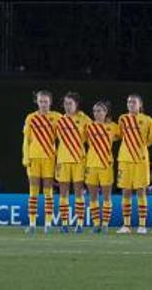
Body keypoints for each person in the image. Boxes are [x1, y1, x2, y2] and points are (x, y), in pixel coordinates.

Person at [20, 90, 60, 234]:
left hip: (49, 159)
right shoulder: (30, 118)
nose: (43, 104)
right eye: (40, 101)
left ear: (50, 102)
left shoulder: (57, 117)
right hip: (33, 159)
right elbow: (26, 140)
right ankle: (32, 224)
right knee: (33, 192)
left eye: (45, 101)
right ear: (36, 102)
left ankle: (48, 224)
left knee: (48, 192)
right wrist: (26, 157)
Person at [116, 94, 152, 234]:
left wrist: (140, 147)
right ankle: (126, 225)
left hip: (141, 160)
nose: (131, 104)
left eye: (134, 102)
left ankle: (142, 225)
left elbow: (151, 139)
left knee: (141, 191)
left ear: (140, 104)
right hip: (125, 160)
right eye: (129, 102)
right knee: (125, 192)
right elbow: (120, 135)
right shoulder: (122, 119)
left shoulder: (147, 120)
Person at [54, 92, 89, 233]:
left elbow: (91, 137)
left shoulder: (84, 119)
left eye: (70, 104)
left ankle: (79, 223)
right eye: (66, 104)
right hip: (63, 161)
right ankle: (64, 223)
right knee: (63, 194)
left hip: (79, 161)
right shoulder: (59, 120)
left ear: (76, 105)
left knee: (79, 193)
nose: (67, 107)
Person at [82, 101, 119, 234]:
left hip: (106, 165)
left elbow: (122, 136)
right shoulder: (88, 126)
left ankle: (105, 224)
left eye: (100, 111)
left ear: (106, 112)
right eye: (95, 111)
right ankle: (96, 223)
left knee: (106, 197)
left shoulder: (113, 127)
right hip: (91, 165)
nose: (97, 113)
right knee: (93, 197)